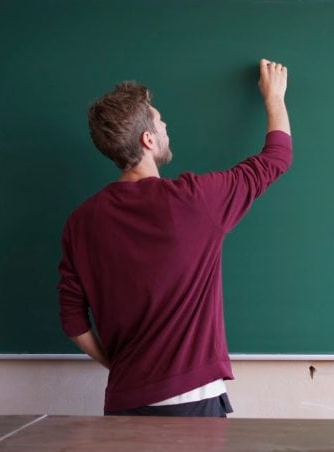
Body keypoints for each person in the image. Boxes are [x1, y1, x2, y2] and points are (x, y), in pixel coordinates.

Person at [57, 59, 291, 417]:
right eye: (159, 120)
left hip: (124, 402)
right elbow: (276, 158)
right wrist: (274, 97)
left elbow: (73, 322)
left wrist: (120, 367)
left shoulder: (81, 222)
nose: (165, 125)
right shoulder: (194, 200)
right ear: (148, 139)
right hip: (192, 402)